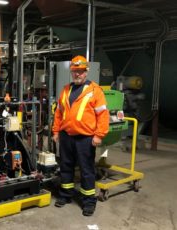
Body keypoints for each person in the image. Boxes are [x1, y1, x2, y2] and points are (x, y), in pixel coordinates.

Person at [52, 55, 109, 216]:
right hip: (66, 136)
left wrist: (99, 135)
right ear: (71, 71)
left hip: (86, 138)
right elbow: (58, 112)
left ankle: (89, 202)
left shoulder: (95, 91)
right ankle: (65, 195)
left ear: (86, 72)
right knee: (66, 167)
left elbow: (103, 115)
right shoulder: (65, 90)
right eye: (75, 71)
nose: (77, 74)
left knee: (87, 170)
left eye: (81, 71)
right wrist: (56, 131)